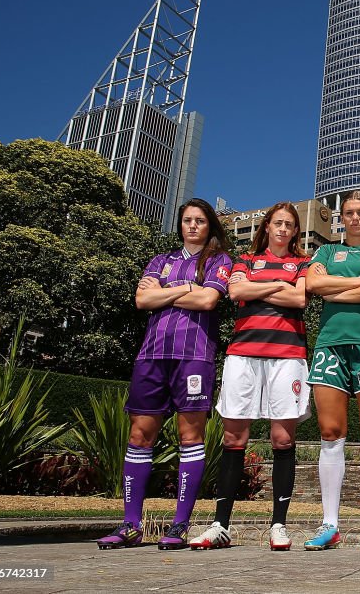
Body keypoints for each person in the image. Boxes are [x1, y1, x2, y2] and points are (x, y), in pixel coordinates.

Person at [97, 198, 232, 550]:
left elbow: (207, 302)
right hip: (152, 355)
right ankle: (130, 525)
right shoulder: (160, 260)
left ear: (209, 226)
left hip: (194, 357)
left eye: (199, 221)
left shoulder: (218, 261)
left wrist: (166, 293)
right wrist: (187, 289)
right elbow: (142, 301)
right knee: (140, 436)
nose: (192, 226)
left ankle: (179, 525)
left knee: (191, 437)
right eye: (187, 220)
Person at [189, 202, 311, 551]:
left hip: (287, 355)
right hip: (243, 353)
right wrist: (278, 286)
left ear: (295, 231)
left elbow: (300, 297)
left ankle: (279, 526)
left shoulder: (303, 262)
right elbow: (236, 291)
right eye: (278, 223)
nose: (283, 229)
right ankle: (220, 525)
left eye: (290, 225)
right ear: (266, 227)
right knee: (233, 437)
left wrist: (262, 285)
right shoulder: (243, 259)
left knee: (283, 439)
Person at [303, 191, 360, 552]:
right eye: (349, 213)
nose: (355, 217)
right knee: (330, 432)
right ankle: (330, 524)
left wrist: (335, 288)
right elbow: (313, 285)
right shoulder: (325, 251)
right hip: (330, 344)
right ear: (342, 219)